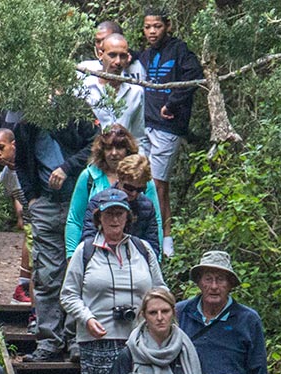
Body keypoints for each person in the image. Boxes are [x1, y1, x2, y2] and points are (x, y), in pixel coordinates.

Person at [0, 112, 97, 362]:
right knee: (46, 275)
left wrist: (66, 168)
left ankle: (75, 339)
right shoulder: (25, 128)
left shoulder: (72, 115)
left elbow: (95, 145)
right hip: (45, 205)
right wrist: (32, 199)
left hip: (77, 202)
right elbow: (22, 165)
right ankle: (49, 340)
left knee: (78, 271)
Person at [60, 189, 165, 374]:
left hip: (141, 343)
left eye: (120, 213)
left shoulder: (143, 250)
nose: (114, 219)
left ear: (128, 217)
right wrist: (87, 318)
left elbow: (161, 292)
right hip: (97, 342)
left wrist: (155, 320)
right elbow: (68, 295)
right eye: (109, 214)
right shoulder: (85, 252)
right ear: (99, 218)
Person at [137, 9, 201, 257]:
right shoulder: (144, 56)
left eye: (157, 26)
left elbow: (194, 77)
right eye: (147, 27)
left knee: (158, 182)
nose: (152, 32)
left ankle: (166, 237)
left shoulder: (180, 50)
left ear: (168, 26)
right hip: (144, 124)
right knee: (141, 179)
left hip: (168, 126)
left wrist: (172, 104)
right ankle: (144, 232)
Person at [64, 125, 164, 257]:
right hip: (99, 253)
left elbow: (155, 220)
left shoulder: (144, 179)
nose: (114, 153)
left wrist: (156, 258)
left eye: (120, 148)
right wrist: (72, 255)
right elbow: (75, 219)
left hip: (135, 255)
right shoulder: (89, 177)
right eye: (108, 148)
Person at [74, 152, 161, 251]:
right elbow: (89, 238)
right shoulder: (98, 201)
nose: (133, 193)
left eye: (140, 190)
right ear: (119, 179)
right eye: (129, 187)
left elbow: (152, 244)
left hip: (136, 260)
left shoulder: (147, 206)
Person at [77, 31, 146, 142]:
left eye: (122, 56)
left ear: (128, 58)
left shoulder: (136, 92)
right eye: (112, 55)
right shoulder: (85, 87)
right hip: (89, 155)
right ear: (100, 55)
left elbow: (138, 136)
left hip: (123, 156)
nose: (118, 61)